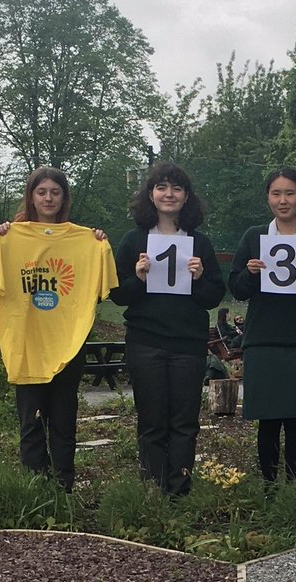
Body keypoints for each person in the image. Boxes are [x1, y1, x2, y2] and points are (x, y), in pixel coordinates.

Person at [0, 167, 117, 489]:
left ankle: (63, 487)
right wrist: (4, 239)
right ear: (31, 196)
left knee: (63, 420)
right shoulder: (8, 238)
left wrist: (96, 243)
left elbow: (105, 288)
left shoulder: (87, 241)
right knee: (30, 422)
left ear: (64, 197)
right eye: (41, 191)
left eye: (55, 192)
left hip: (68, 346)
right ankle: (35, 488)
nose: (48, 198)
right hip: (26, 345)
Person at [110, 163, 225, 496]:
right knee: (151, 420)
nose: (169, 194)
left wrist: (201, 276)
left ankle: (179, 491)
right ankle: (152, 491)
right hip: (145, 341)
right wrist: (139, 277)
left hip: (187, 343)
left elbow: (213, 297)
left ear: (186, 197)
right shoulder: (133, 241)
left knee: (184, 422)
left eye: (176, 188)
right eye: (162, 187)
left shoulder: (199, 243)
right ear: (151, 194)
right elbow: (118, 296)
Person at [229, 167, 296, 485]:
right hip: (262, 338)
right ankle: (268, 485)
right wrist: (250, 273)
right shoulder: (254, 237)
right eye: (276, 193)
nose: (283, 200)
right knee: (267, 419)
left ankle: (293, 485)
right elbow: (236, 288)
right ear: (267, 198)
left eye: (290, 193)